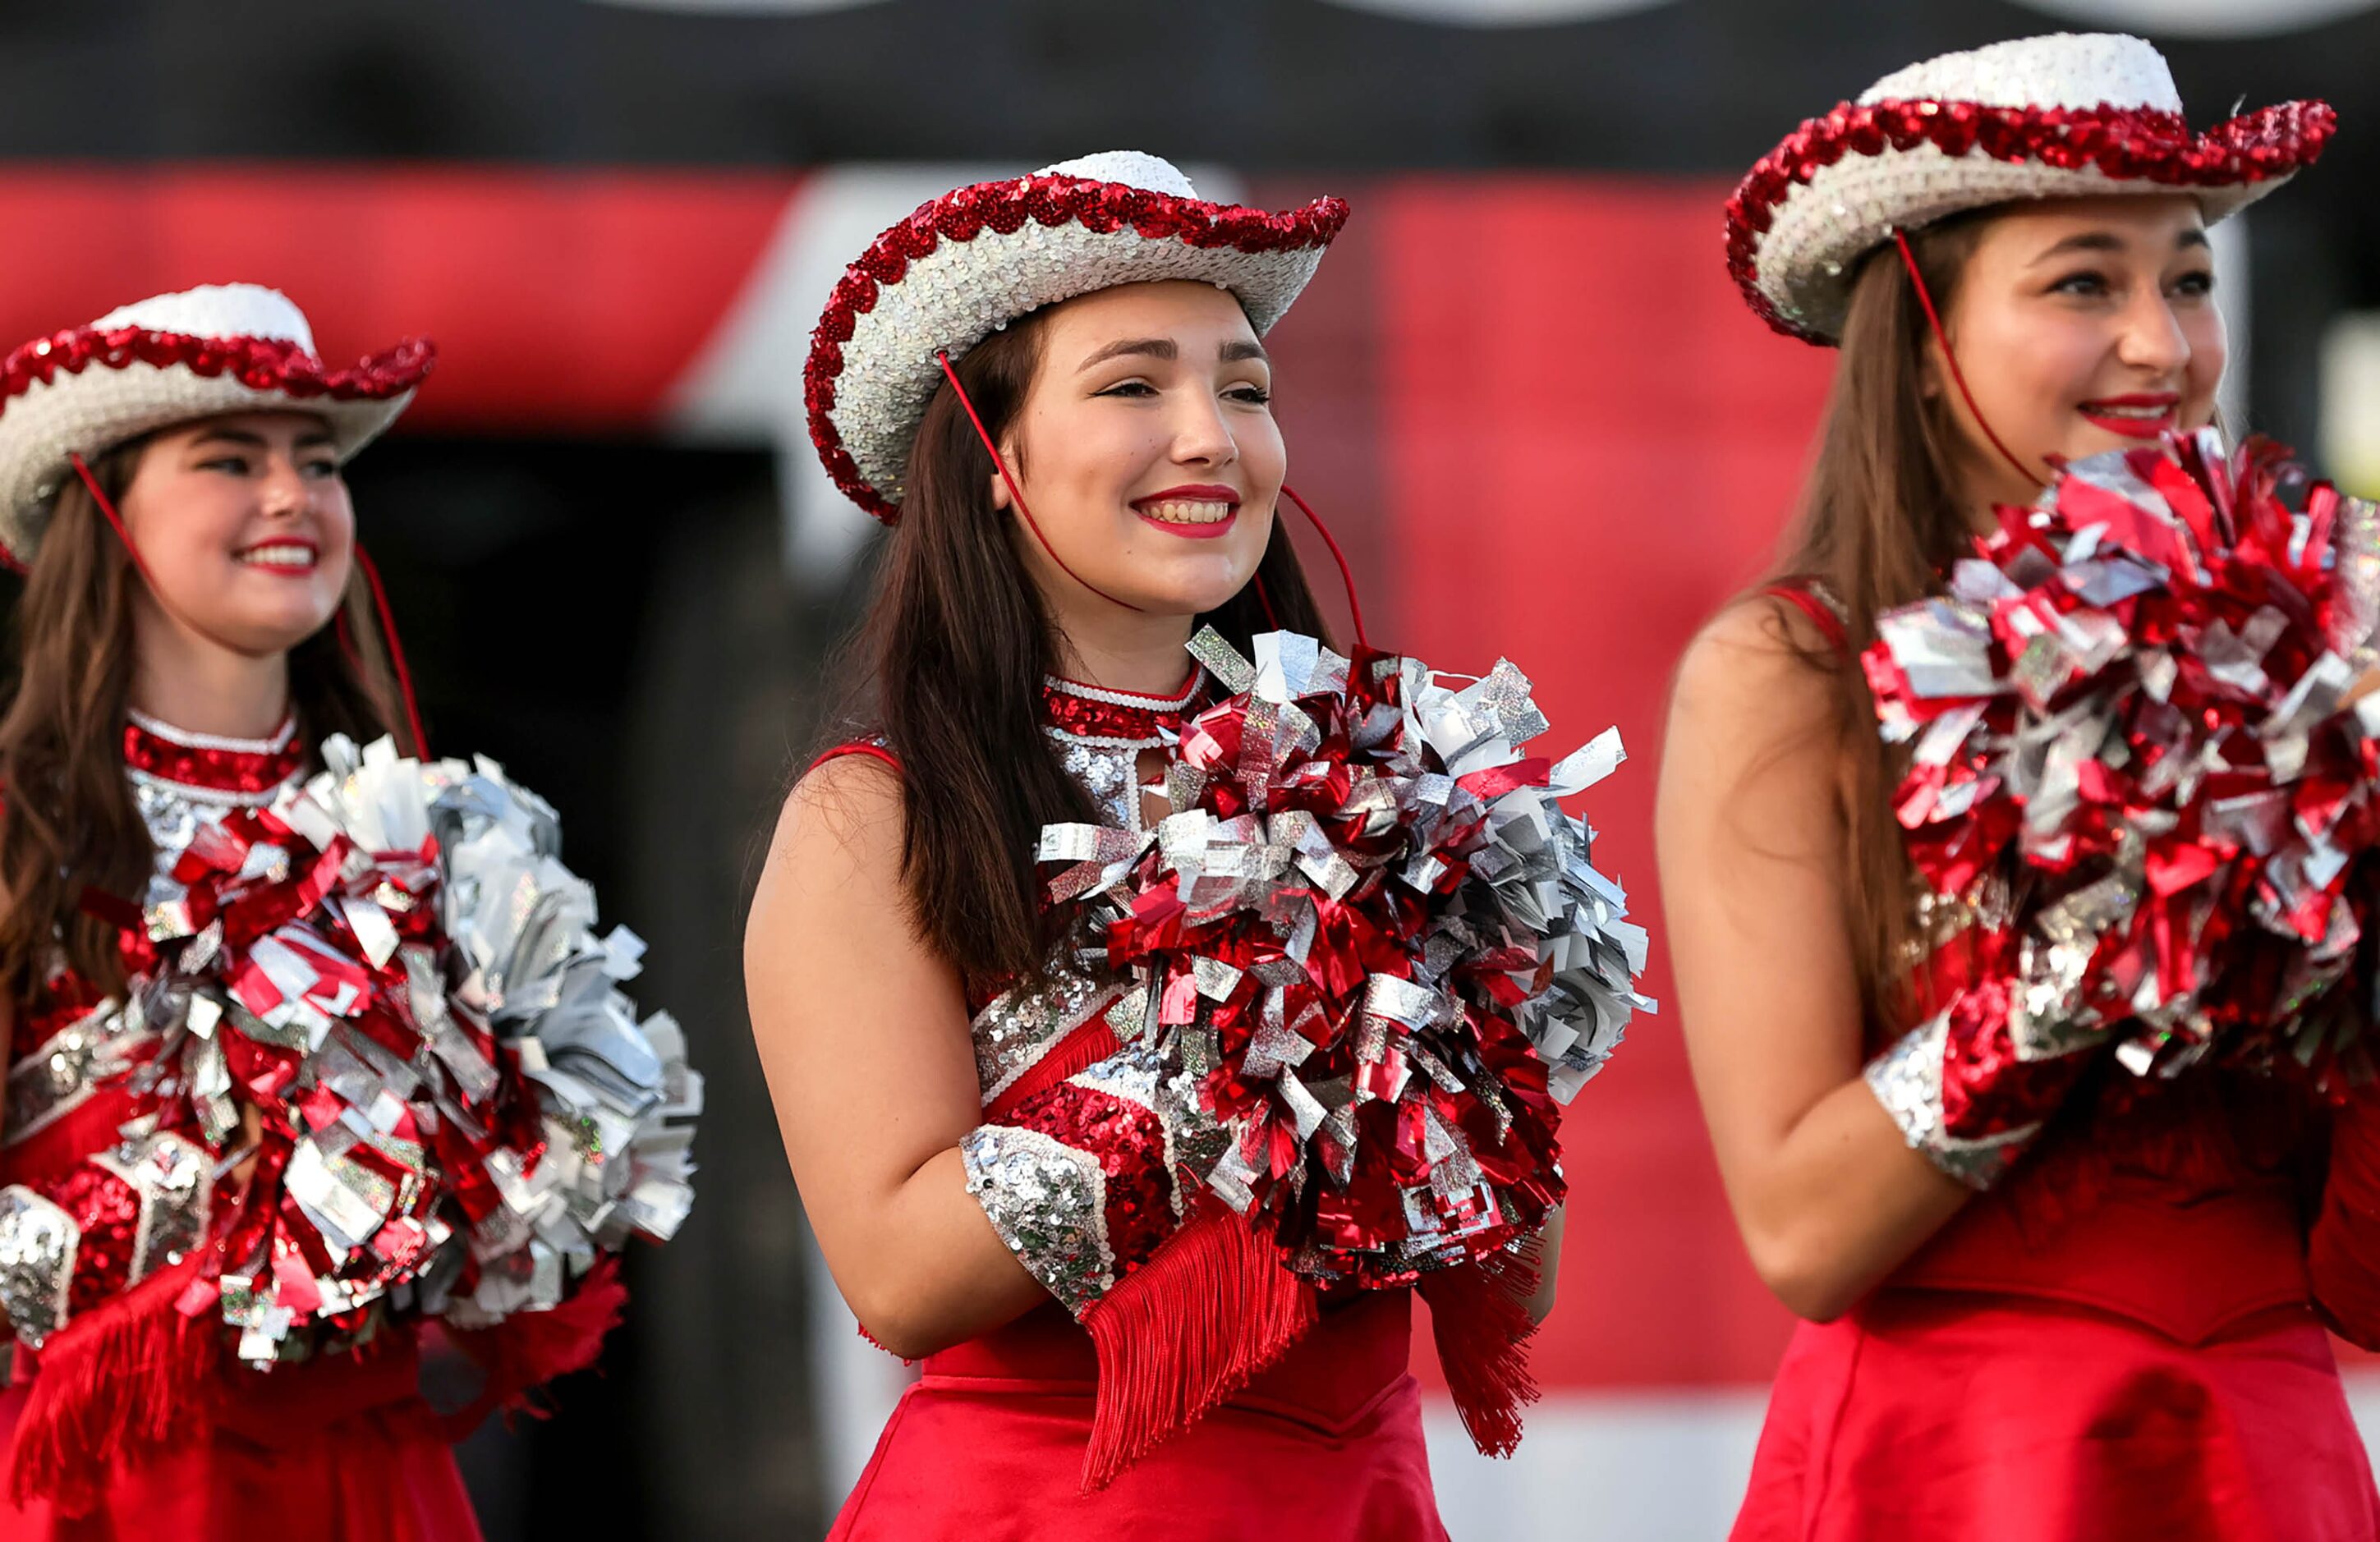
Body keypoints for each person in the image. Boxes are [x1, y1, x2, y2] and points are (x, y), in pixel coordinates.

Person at [1660, 33, 2380, 1540]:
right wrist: (2135, 912)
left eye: (2184, 280)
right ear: (1919, 326)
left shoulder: (2307, 655)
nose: (2161, 345)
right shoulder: (1784, 671)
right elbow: (1800, 1233)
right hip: (1955, 1470)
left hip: (2265, 1457)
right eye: (2081, 283)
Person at [745, 151, 1526, 1539]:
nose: (1211, 438)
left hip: (1360, 1500)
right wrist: (1240, 1053)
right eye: (1130, 386)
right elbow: (896, 1274)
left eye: (1243, 387)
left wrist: (1482, 1041)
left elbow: (1511, 1276)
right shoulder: (874, 813)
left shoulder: (1383, 790)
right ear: (990, 455)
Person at [0, 283, 491, 1538]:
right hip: (105, 1479)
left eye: (317, 461)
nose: (291, 495)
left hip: (377, 1473)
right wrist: (196, 1237)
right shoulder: (20, 829)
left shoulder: (437, 828)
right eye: (231, 457)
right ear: (101, 506)